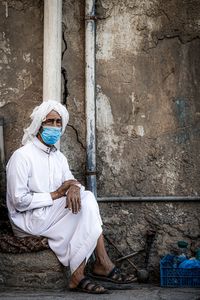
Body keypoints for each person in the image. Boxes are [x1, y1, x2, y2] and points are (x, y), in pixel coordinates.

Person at [6, 100, 136, 294]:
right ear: (40, 124)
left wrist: (74, 187)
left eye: (59, 122)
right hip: (27, 219)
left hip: (50, 214)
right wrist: (59, 193)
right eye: (50, 121)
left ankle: (83, 271)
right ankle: (98, 265)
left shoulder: (59, 157)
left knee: (87, 201)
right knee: (88, 202)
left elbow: (70, 181)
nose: (55, 127)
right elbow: (19, 200)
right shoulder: (22, 156)